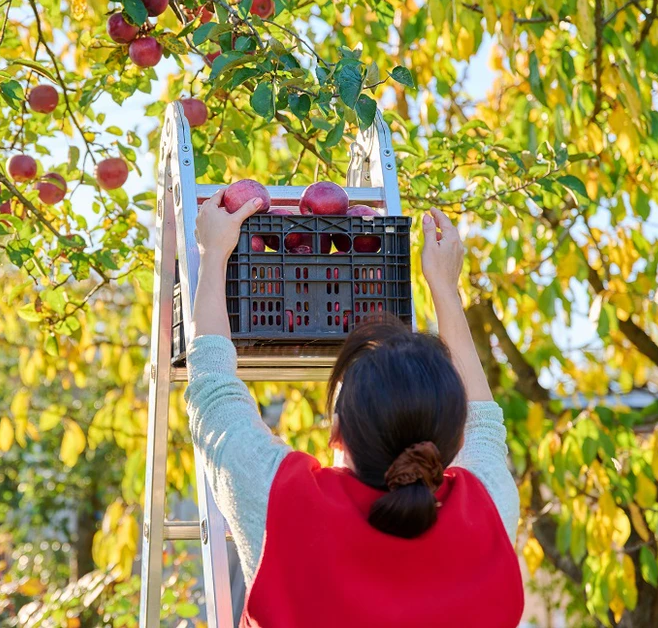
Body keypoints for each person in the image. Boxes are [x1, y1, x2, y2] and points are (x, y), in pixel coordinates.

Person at [185, 191, 524, 627]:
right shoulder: (486, 509)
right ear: (452, 439)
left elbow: (212, 387)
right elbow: (483, 423)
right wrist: (445, 288)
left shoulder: (283, 502)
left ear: (336, 431)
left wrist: (213, 255)